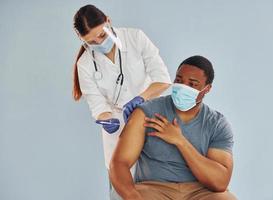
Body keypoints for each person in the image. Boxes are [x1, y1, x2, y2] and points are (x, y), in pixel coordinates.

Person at [72, 4, 171, 199]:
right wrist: (106, 118)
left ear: (108, 20)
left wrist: (141, 98)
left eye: (101, 35)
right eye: (91, 42)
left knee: (159, 185)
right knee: (121, 189)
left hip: (150, 116)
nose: (99, 43)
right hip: (118, 128)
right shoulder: (84, 65)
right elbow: (97, 104)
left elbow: (162, 79)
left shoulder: (136, 38)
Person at [110, 55, 237, 200]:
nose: (183, 87)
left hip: (200, 192)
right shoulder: (146, 112)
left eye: (192, 84)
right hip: (153, 189)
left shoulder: (216, 124)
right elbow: (119, 163)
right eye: (179, 80)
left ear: (207, 89)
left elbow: (220, 183)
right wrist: (133, 196)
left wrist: (180, 141)